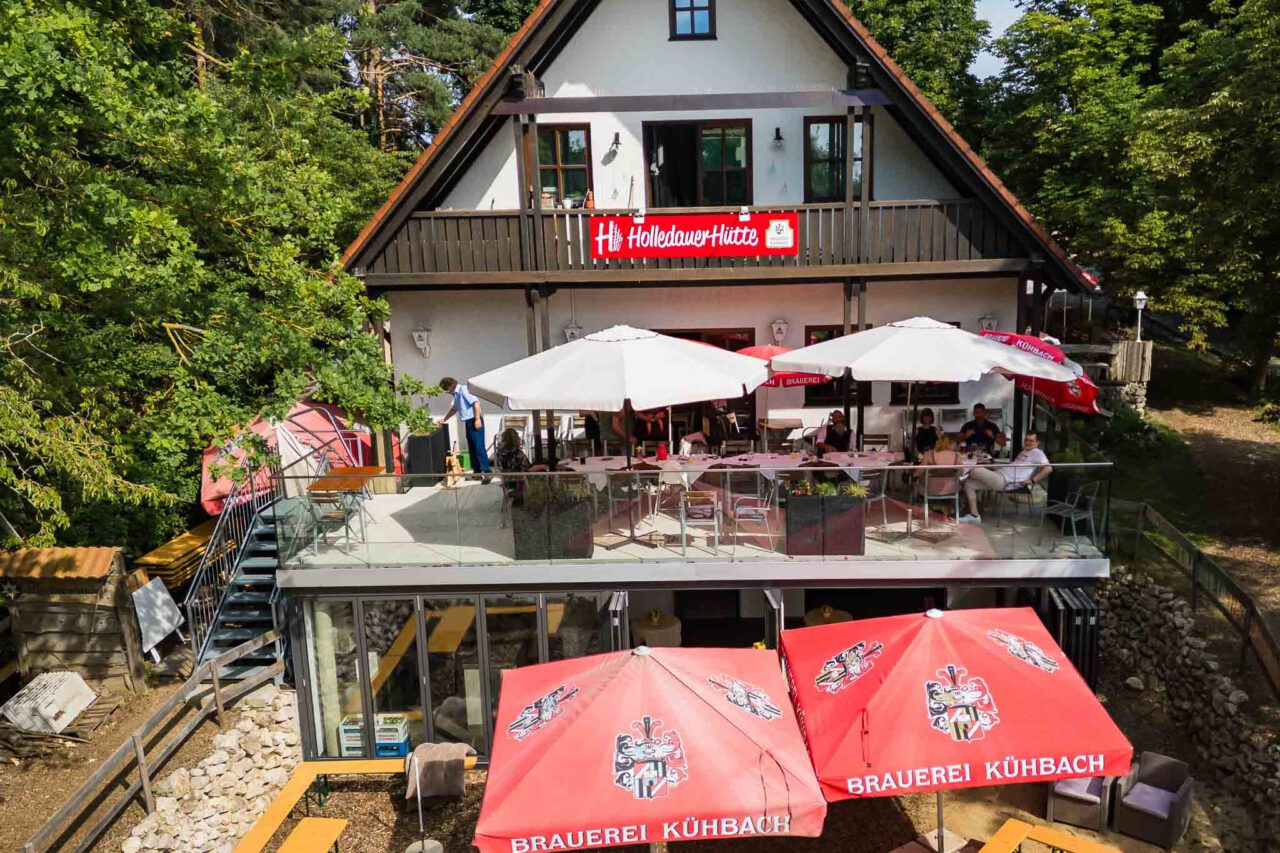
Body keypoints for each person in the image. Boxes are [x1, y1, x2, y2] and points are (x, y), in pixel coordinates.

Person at [959, 432, 1051, 524]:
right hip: (999, 475)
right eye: (1026, 440)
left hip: (1006, 482)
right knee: (969, 484)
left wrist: (1032, 480)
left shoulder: (1038, 453)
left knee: (976, 470)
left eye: (1031, 441)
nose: (1028, 442)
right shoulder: (1024, 451)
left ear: (1037, 443)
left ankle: (960, 479)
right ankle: (974, 516)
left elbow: (1048, 468)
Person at [439, 376, 491, 481]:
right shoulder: (456, 395)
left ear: (450, 386)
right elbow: (455, 409)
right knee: (472, 447)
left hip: (474, 420)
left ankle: (486, 472)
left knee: (479, 447)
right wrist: (444, 419)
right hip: (468, 422)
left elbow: (476, 403)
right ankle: (477, 473)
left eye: (446, 389)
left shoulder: (464, 390)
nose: (446, 392)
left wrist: (477, 419)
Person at [495, 428, 547, 504]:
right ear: (515, 439)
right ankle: (528, 495)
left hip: (507, 481)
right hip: (519, 480)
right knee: (542, 470)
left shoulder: (499, 453)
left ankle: (515, 494)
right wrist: (543, 466)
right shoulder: (517, 453)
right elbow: (528, 468)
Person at [917, 433, 963, 507]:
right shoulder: (957, 456)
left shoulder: (930, 455)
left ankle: (923, 506)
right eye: (955, 443)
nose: (956, 445)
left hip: (931, 488)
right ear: (950, 443)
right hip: (951, 489)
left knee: (919, 481)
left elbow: (919, 472)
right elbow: (961, 474)